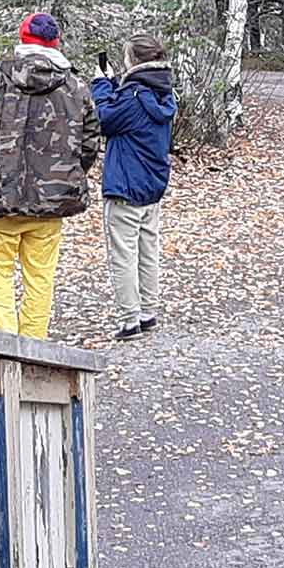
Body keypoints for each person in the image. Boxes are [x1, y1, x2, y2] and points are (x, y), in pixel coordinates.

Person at [0, 11, 101, 339]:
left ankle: (3, 352)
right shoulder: (76, 85)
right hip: (51, 202)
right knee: (40, 279)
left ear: (23, 39)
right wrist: (67, 177)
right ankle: (33, 351)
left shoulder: (0, 79)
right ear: (56, 42)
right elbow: (90, 142)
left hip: (0, 197)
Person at [91, 34, 177, 341]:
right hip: (152, 185)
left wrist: (101, 86)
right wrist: (115, 85)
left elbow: (105, 119)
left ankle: (129, 320)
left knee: (123, 255)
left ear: (135, 62)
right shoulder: (164, 94)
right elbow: (130, 111)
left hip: (126, 185)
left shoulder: (132, 96)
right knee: (147, 250)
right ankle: (148, 312)